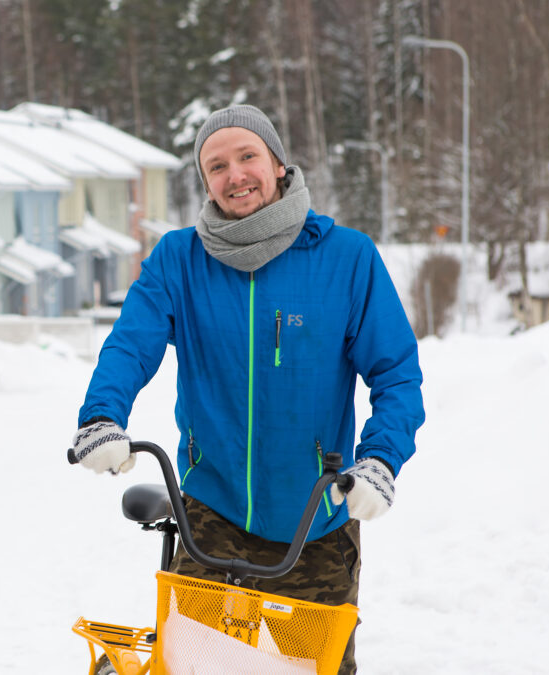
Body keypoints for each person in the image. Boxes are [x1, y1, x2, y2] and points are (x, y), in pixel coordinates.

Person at [71, 105, 424, 674]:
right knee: (192, 666)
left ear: (278, 163)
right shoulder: (179, 259)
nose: (234, 174)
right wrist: (101, 417)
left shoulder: (346, 257)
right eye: (216, 165)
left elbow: (397, 373)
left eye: (247, 156)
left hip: (318, 519)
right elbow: (130, 345)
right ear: (205, 181)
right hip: (214, 510)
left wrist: (381, 459)